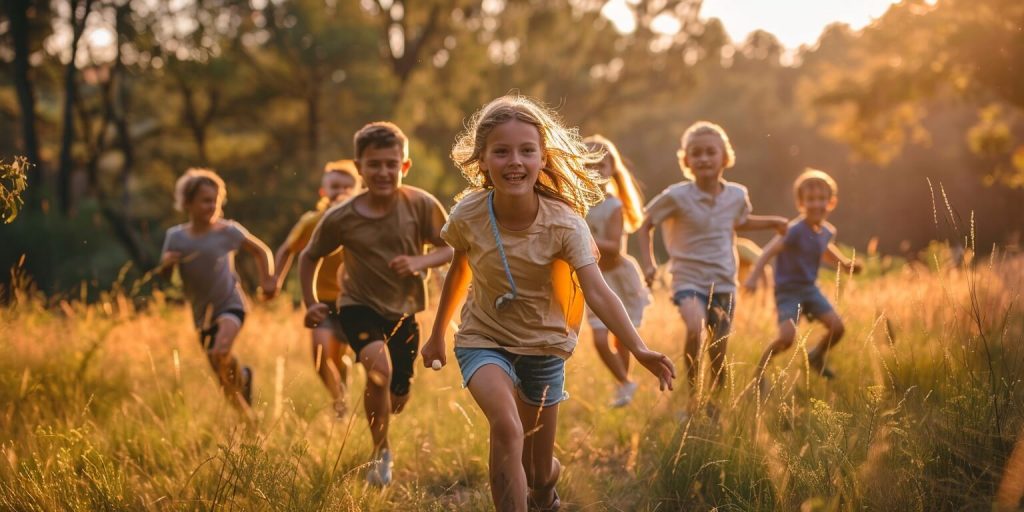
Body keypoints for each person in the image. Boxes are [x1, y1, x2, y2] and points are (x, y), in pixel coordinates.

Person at [421, 96, 675, 511]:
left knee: (537, 471)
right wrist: (435, 336)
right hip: (482, 339)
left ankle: (544, 490)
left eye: (526, 151)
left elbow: (597, 291)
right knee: (506, 426)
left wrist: (639, 347)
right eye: (501, 151)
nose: (514, 161)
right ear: (482, 160)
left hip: (543, 347)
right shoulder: (469, 212)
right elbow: (458, 271)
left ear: (543, 158)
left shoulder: (564, 222)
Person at [298, 122, 452, 486]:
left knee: (397, 394)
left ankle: (387, 413)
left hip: (404, 309)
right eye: (374, 164)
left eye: (391, 164)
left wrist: (419, 262)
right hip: (357, 304)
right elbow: (309, 256)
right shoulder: (341, 216)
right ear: (360, 168)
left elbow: (451, 248)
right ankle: (381, 452)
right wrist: (310, 303)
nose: (383, 172)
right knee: (377, 370)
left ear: (405, 166)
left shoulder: (421, 205)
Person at [636, 121, 786, 418]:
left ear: (725, 158)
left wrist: (773, 222)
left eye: (710, 152)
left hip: (724, 281)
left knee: (718, 350)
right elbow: (645, 223)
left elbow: (740, 221)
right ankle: (693, 397)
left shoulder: (736, 195)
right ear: (686, 161)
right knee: (694, 327)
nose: (703, 158)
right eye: (696, 153)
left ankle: (714, 402)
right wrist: (649, 262)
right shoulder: (676, 196)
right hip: (688, 279)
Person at [159, 168, 277, 411]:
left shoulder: (228, 231)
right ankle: (246, 413)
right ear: (188, 202)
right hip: (202, 314)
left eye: (215, 200)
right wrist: (167, 265)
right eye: (205, 200)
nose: (211, 206)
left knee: (220, 350)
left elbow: (261, 251)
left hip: (231, 304)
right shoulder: (176, 237)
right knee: (221, 373)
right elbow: (166, 277)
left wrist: (267, 281)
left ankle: (242, 380)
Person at [744, 169, 861, 394]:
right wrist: (753, 276)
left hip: (810, 290)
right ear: (800, 203)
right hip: (788, 292)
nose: (816, 204)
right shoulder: (794, 230)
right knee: (786, 338)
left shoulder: (826, 232)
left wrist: (845, 264)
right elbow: (769, 251)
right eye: (810, 200)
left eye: (821, 199)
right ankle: (758, 376)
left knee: (837, 328)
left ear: (831, 202)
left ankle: (815, 357)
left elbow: (824, 249)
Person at [274, 160, 360, 419]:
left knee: (340, 355)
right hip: (320, 301)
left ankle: (343, 394)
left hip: (352, 300)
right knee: (322, 356)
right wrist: (274, 281)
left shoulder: (362, 221)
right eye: (334, 186)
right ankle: (340, 402)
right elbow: (288, 249)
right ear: (323, 192)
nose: (341, 191)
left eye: (348, 186)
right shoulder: (312, 221)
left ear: (358, 189)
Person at [582, 135, 652, 408]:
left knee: (623, 338)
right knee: (600, 339)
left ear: (612, 169)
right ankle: (625, 382)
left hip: (619, 278)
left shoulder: (614, 206)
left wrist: (580, 238)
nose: (596, 171)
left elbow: (613, 246)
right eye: (589, 165)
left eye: (602, 165)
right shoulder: (575, 205)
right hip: (594, 279)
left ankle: (624, 385)